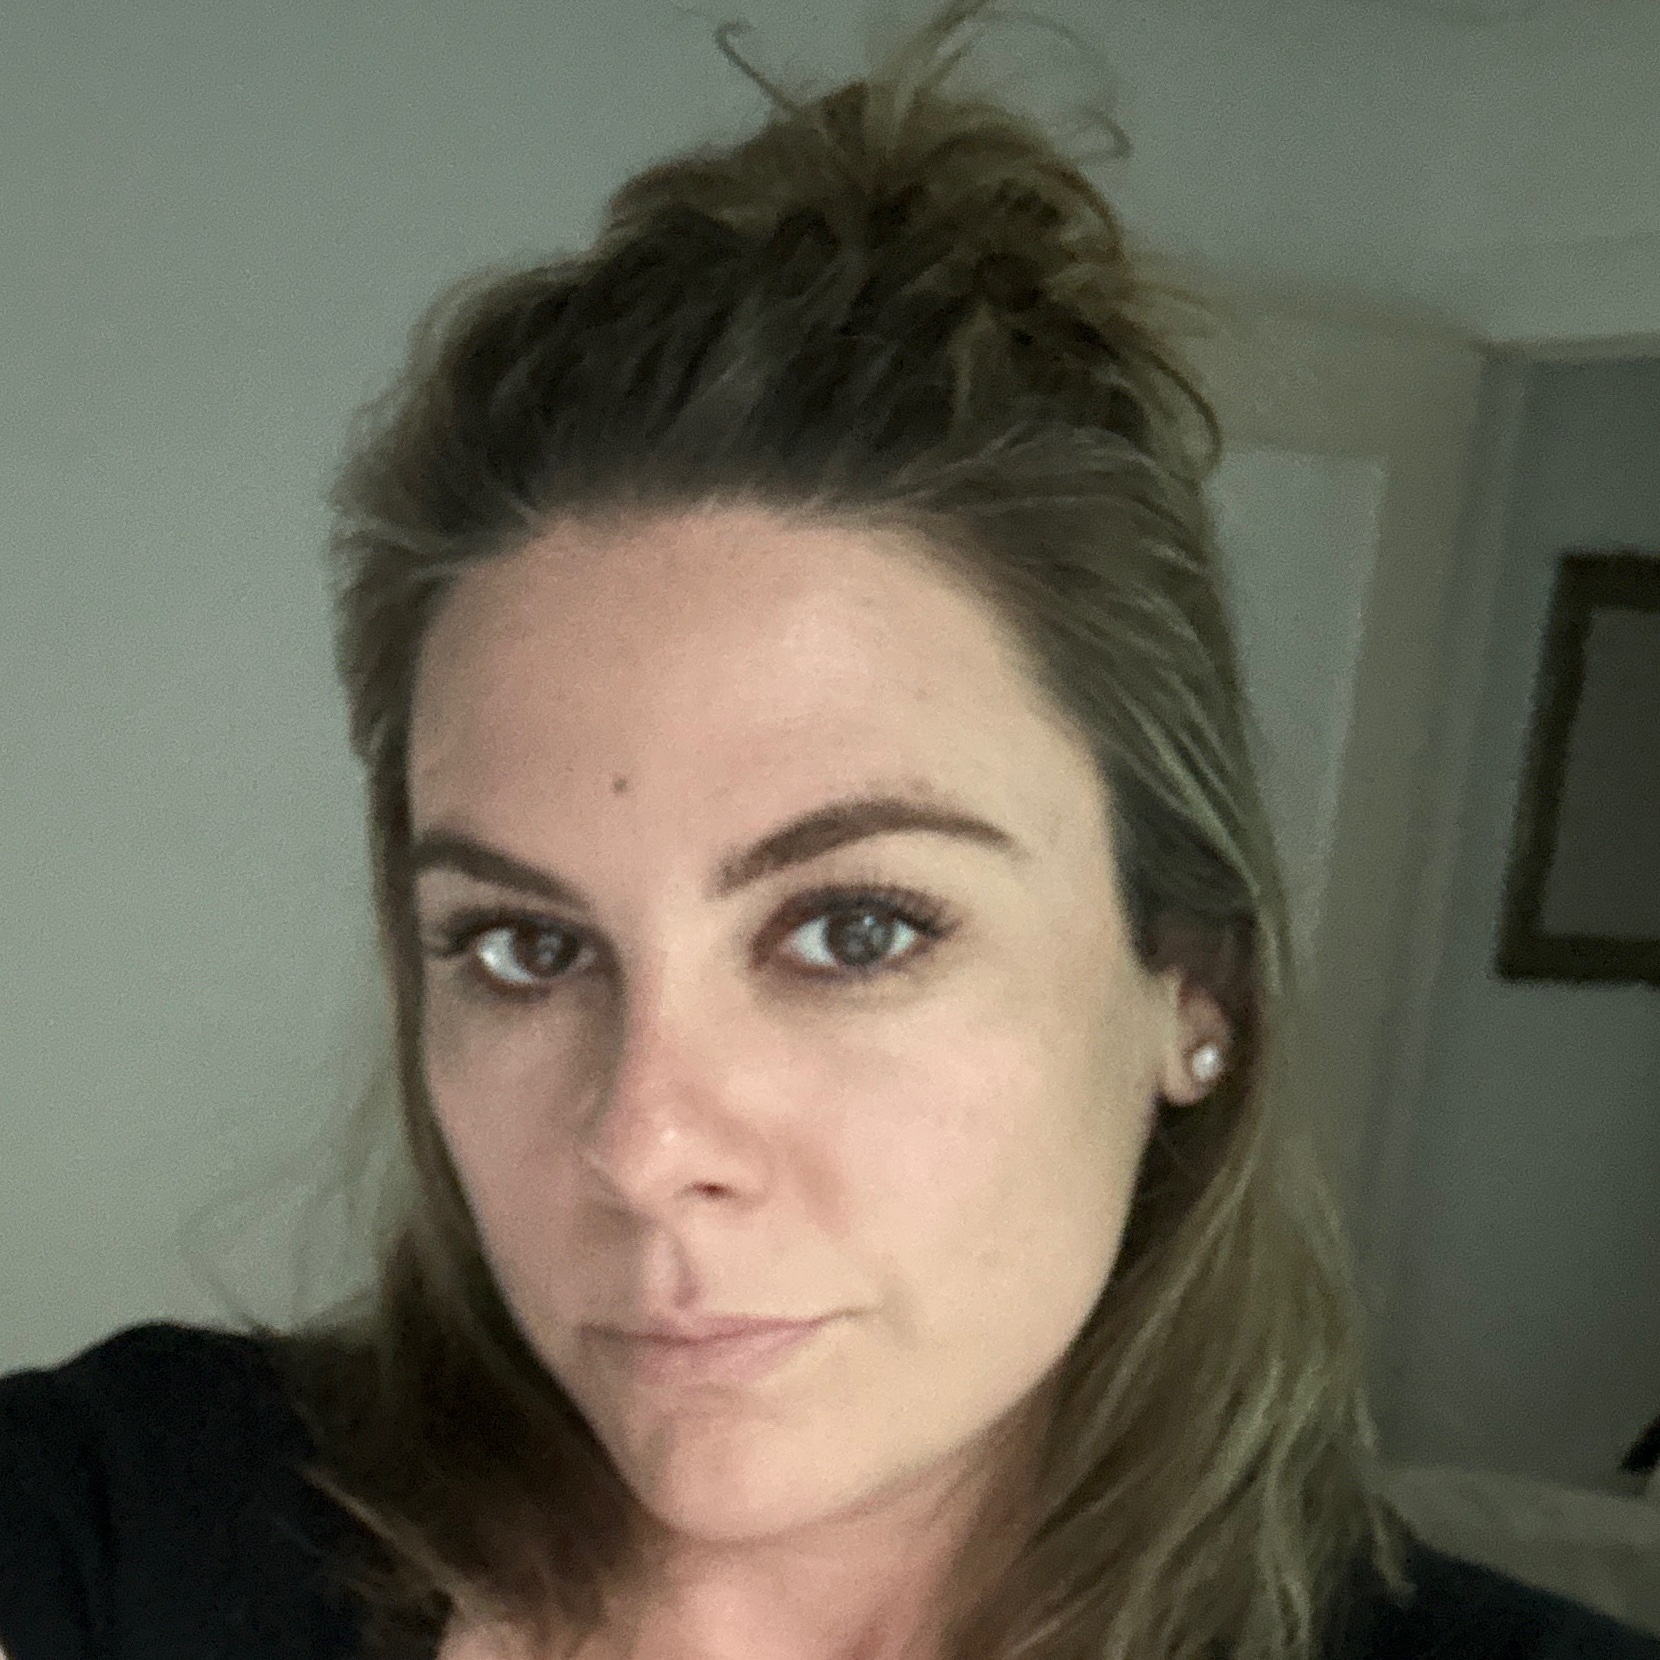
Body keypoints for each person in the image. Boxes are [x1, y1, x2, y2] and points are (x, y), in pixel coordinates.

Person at [3, 3, 1657, 1657]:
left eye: (856, 929)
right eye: (525, 946)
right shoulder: (128, 1520)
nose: (641, 1145)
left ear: (1190, 982)